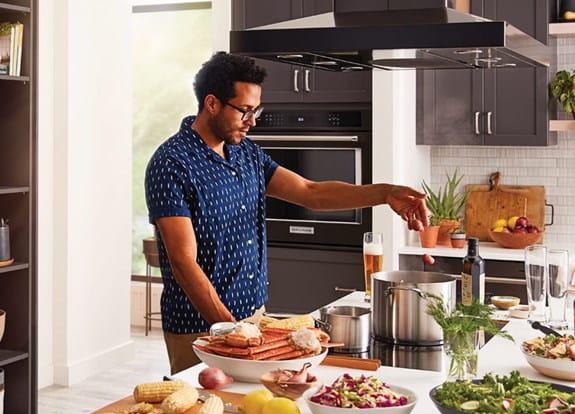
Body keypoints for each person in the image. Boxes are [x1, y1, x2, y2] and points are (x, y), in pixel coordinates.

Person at [145, 52, 428, 374]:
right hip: (201, 328)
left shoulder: (245, 152)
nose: (252, 120)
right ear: (212, 104)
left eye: (256, 110)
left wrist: (384, 193)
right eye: (244, 110)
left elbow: (310, 192)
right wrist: (230, 331)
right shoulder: (171, 163)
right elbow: (183, 261)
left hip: (253, 317)